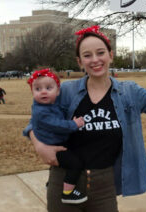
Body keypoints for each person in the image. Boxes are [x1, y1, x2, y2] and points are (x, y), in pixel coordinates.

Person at [23, 25, 146, 212]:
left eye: (100, 52)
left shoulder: (129, 92)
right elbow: (35, 122)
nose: (95, 60)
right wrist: (39, 146)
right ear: (79, 61)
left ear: (111, 55)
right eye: (87, 55)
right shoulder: (66, 91)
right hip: (65, 182)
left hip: (105, 184)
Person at [26, 68, 87, 205]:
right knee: (75, 164)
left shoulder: (49, 105)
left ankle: (51, 183)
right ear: (32, 92)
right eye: (37, 89)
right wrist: (74, 124)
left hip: (56, 141)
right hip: (53, 145)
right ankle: (68, 193)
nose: (43, 91)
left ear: (58, 91)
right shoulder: (41, 111)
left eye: (48, 88)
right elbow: (58, 125)